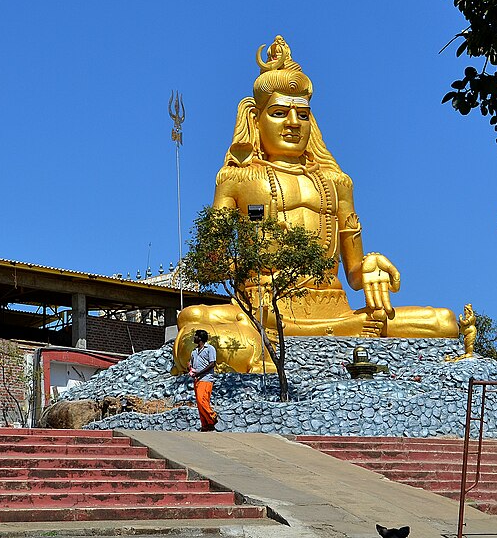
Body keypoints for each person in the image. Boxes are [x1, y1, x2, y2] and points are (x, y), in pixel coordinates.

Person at [174, 36, 457, 374]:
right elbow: (212, 266)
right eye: (279, 113)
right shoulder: (237, 180)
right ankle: (333, 335)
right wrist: (223, 254)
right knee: (194, 323)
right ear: (255, 117)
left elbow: (353, 274)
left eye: (302, 114)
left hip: (332, 305)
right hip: (263, 306)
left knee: (445, 322)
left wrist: (370, 267)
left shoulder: (338, 183)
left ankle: (321, 333)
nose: (293, 123)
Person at [188, 329, 219, 431]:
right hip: (197, 380)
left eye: (195, 336)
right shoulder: (194, 351)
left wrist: (200, 373)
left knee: (202, 400)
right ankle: (206, 424)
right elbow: (192, 365)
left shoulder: (209, 349)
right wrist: (189, 368)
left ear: (200, 338)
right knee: (199, 404)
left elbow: (212, 363)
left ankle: (212, 416)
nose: (194, 338)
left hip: (206, 379)